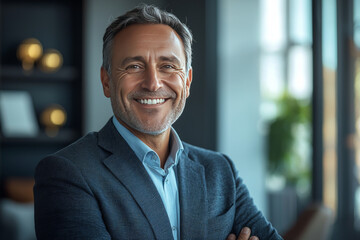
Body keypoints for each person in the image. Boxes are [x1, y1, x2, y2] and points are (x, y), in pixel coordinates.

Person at [34, 4, 283, 240]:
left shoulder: (219, 171)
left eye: (168, 66)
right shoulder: (67, 173)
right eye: (134, 66)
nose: (153, 83)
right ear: (107, 81)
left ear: (187, 82)